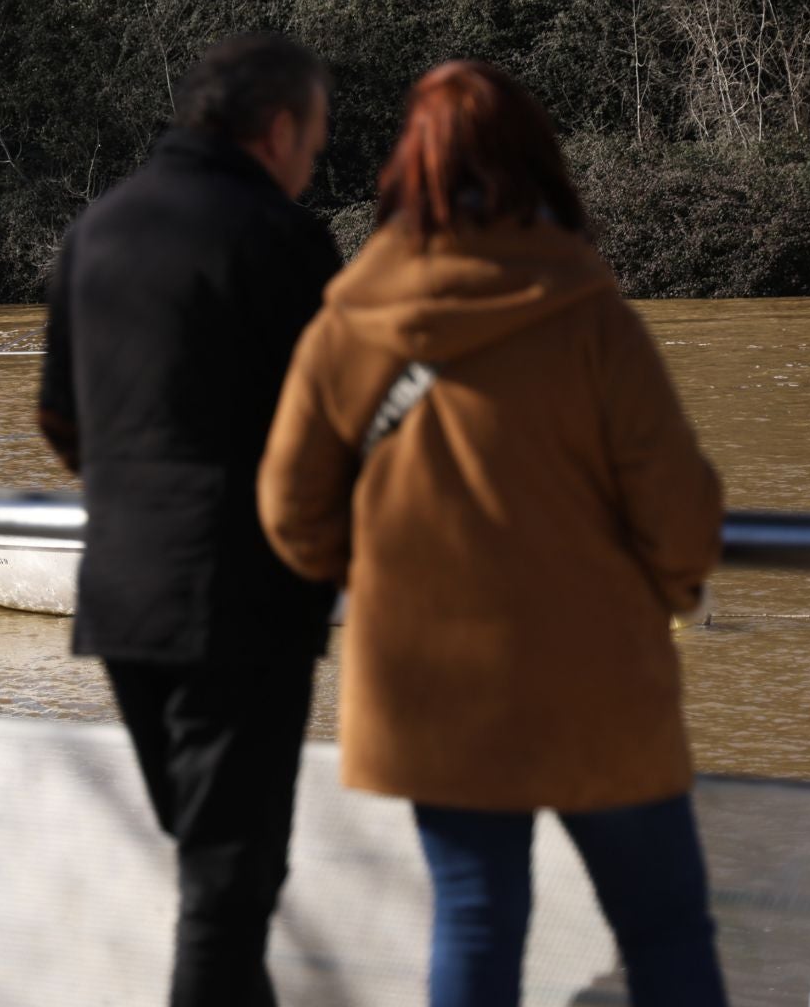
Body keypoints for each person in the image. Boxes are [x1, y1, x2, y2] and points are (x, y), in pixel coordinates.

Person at [256, 60, 727, 1007]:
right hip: (601, 681)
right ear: (538, 162)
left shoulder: (349, 326)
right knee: (665, 927)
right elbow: (680, 511)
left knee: (475, 920)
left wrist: (381, 583)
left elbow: (290, 514)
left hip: (431, 687)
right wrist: (668, 598)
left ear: (405, 168)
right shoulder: (590, 315)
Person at [37, 31, 342, 1006]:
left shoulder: (99, 227)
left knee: (224, 874)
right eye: (315, 138)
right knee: (226, 888)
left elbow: (57, 415)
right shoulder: (283, 237)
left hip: (123, 597)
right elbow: (336, 425)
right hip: (238, 605)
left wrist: (133, 493)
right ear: (280, 127)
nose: (313, 161)